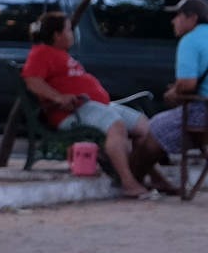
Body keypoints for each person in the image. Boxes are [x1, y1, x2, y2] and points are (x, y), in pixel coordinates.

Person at [21, 11, 159, 200]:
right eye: (69, 30)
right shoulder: (41, 53)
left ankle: (143, 175)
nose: (73, 34)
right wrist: (59, 97)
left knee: (145, 127)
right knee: (116, 126)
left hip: (96, 106)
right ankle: (128, 183)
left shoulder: (60, 55)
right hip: (72, 113)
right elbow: (32, 80)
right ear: (57, 35)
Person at [131, 0, 208, 186]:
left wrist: (174, 92)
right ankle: (153, 181)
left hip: (203, 113)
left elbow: (188, 84)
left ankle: (132, 179)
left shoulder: (190, 41)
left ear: (192, 18)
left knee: (154, 128)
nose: (174, 21)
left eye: (178, 16)